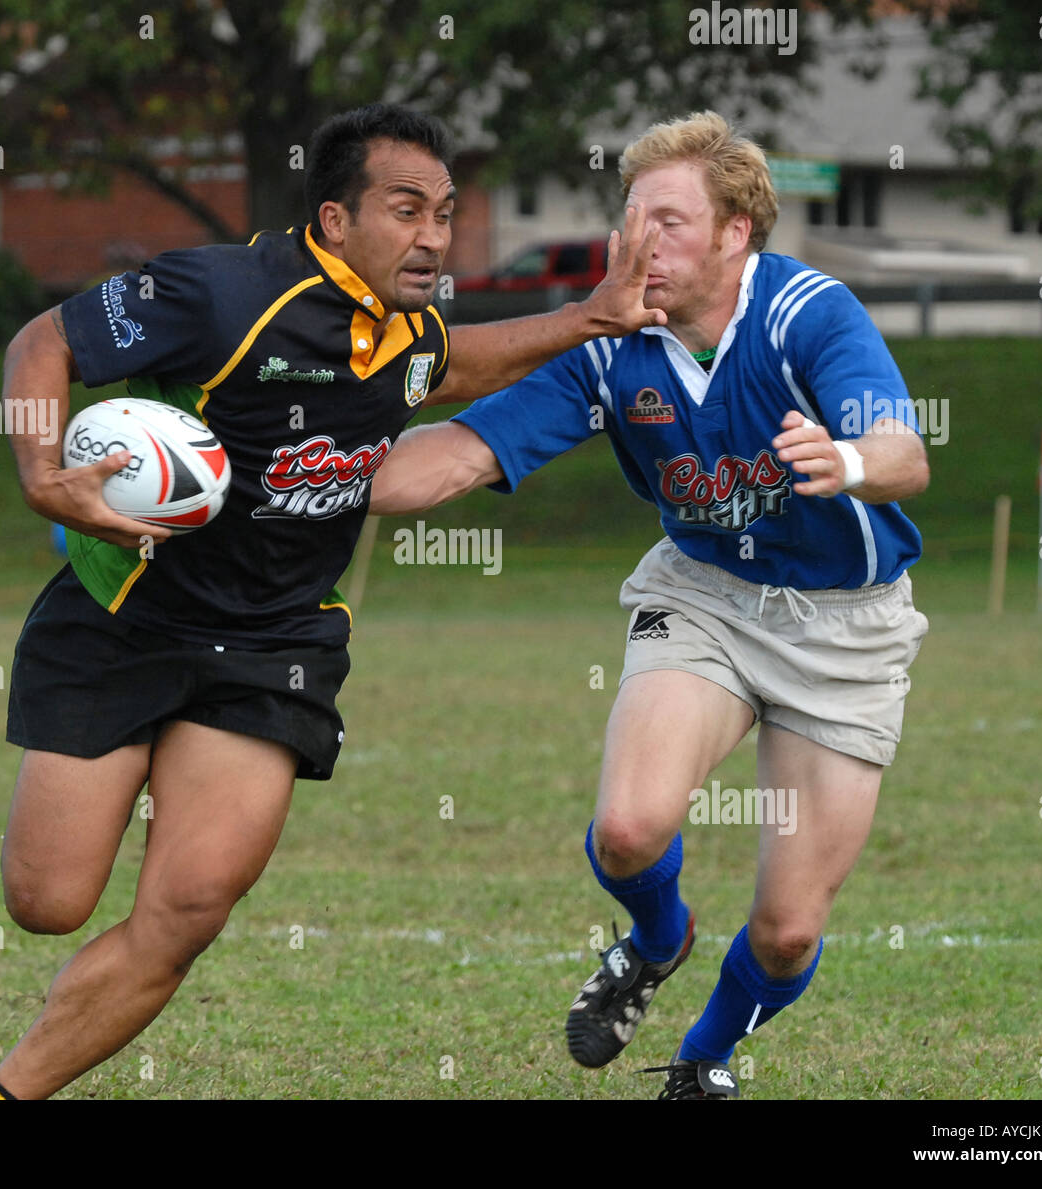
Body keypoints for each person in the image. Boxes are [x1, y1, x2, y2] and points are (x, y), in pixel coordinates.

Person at [0, 102, 665, 1101]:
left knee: (190, 905)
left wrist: (593, 317)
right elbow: (43, 339)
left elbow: (445, 365)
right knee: (46, 900)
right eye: (406, 209)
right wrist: (41, 469)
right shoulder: (218, 293)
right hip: (127, 616)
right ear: (334, 220)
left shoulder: (406, 331)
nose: (432, 236)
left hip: (274, 643)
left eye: (446, 212)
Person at [369, 110, 930, 1101]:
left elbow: (903, 455)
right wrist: (306, 465)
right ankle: (656, 942)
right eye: (631, 221)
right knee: (630, 827)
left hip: (846, 625)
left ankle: (702, 1060)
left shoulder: (805, 315)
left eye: (668, 223)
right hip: (703, 596)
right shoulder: (607, 345)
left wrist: (843, 461)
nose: (640, 246)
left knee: (789, 927)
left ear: (733, 235)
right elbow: (452, 459)